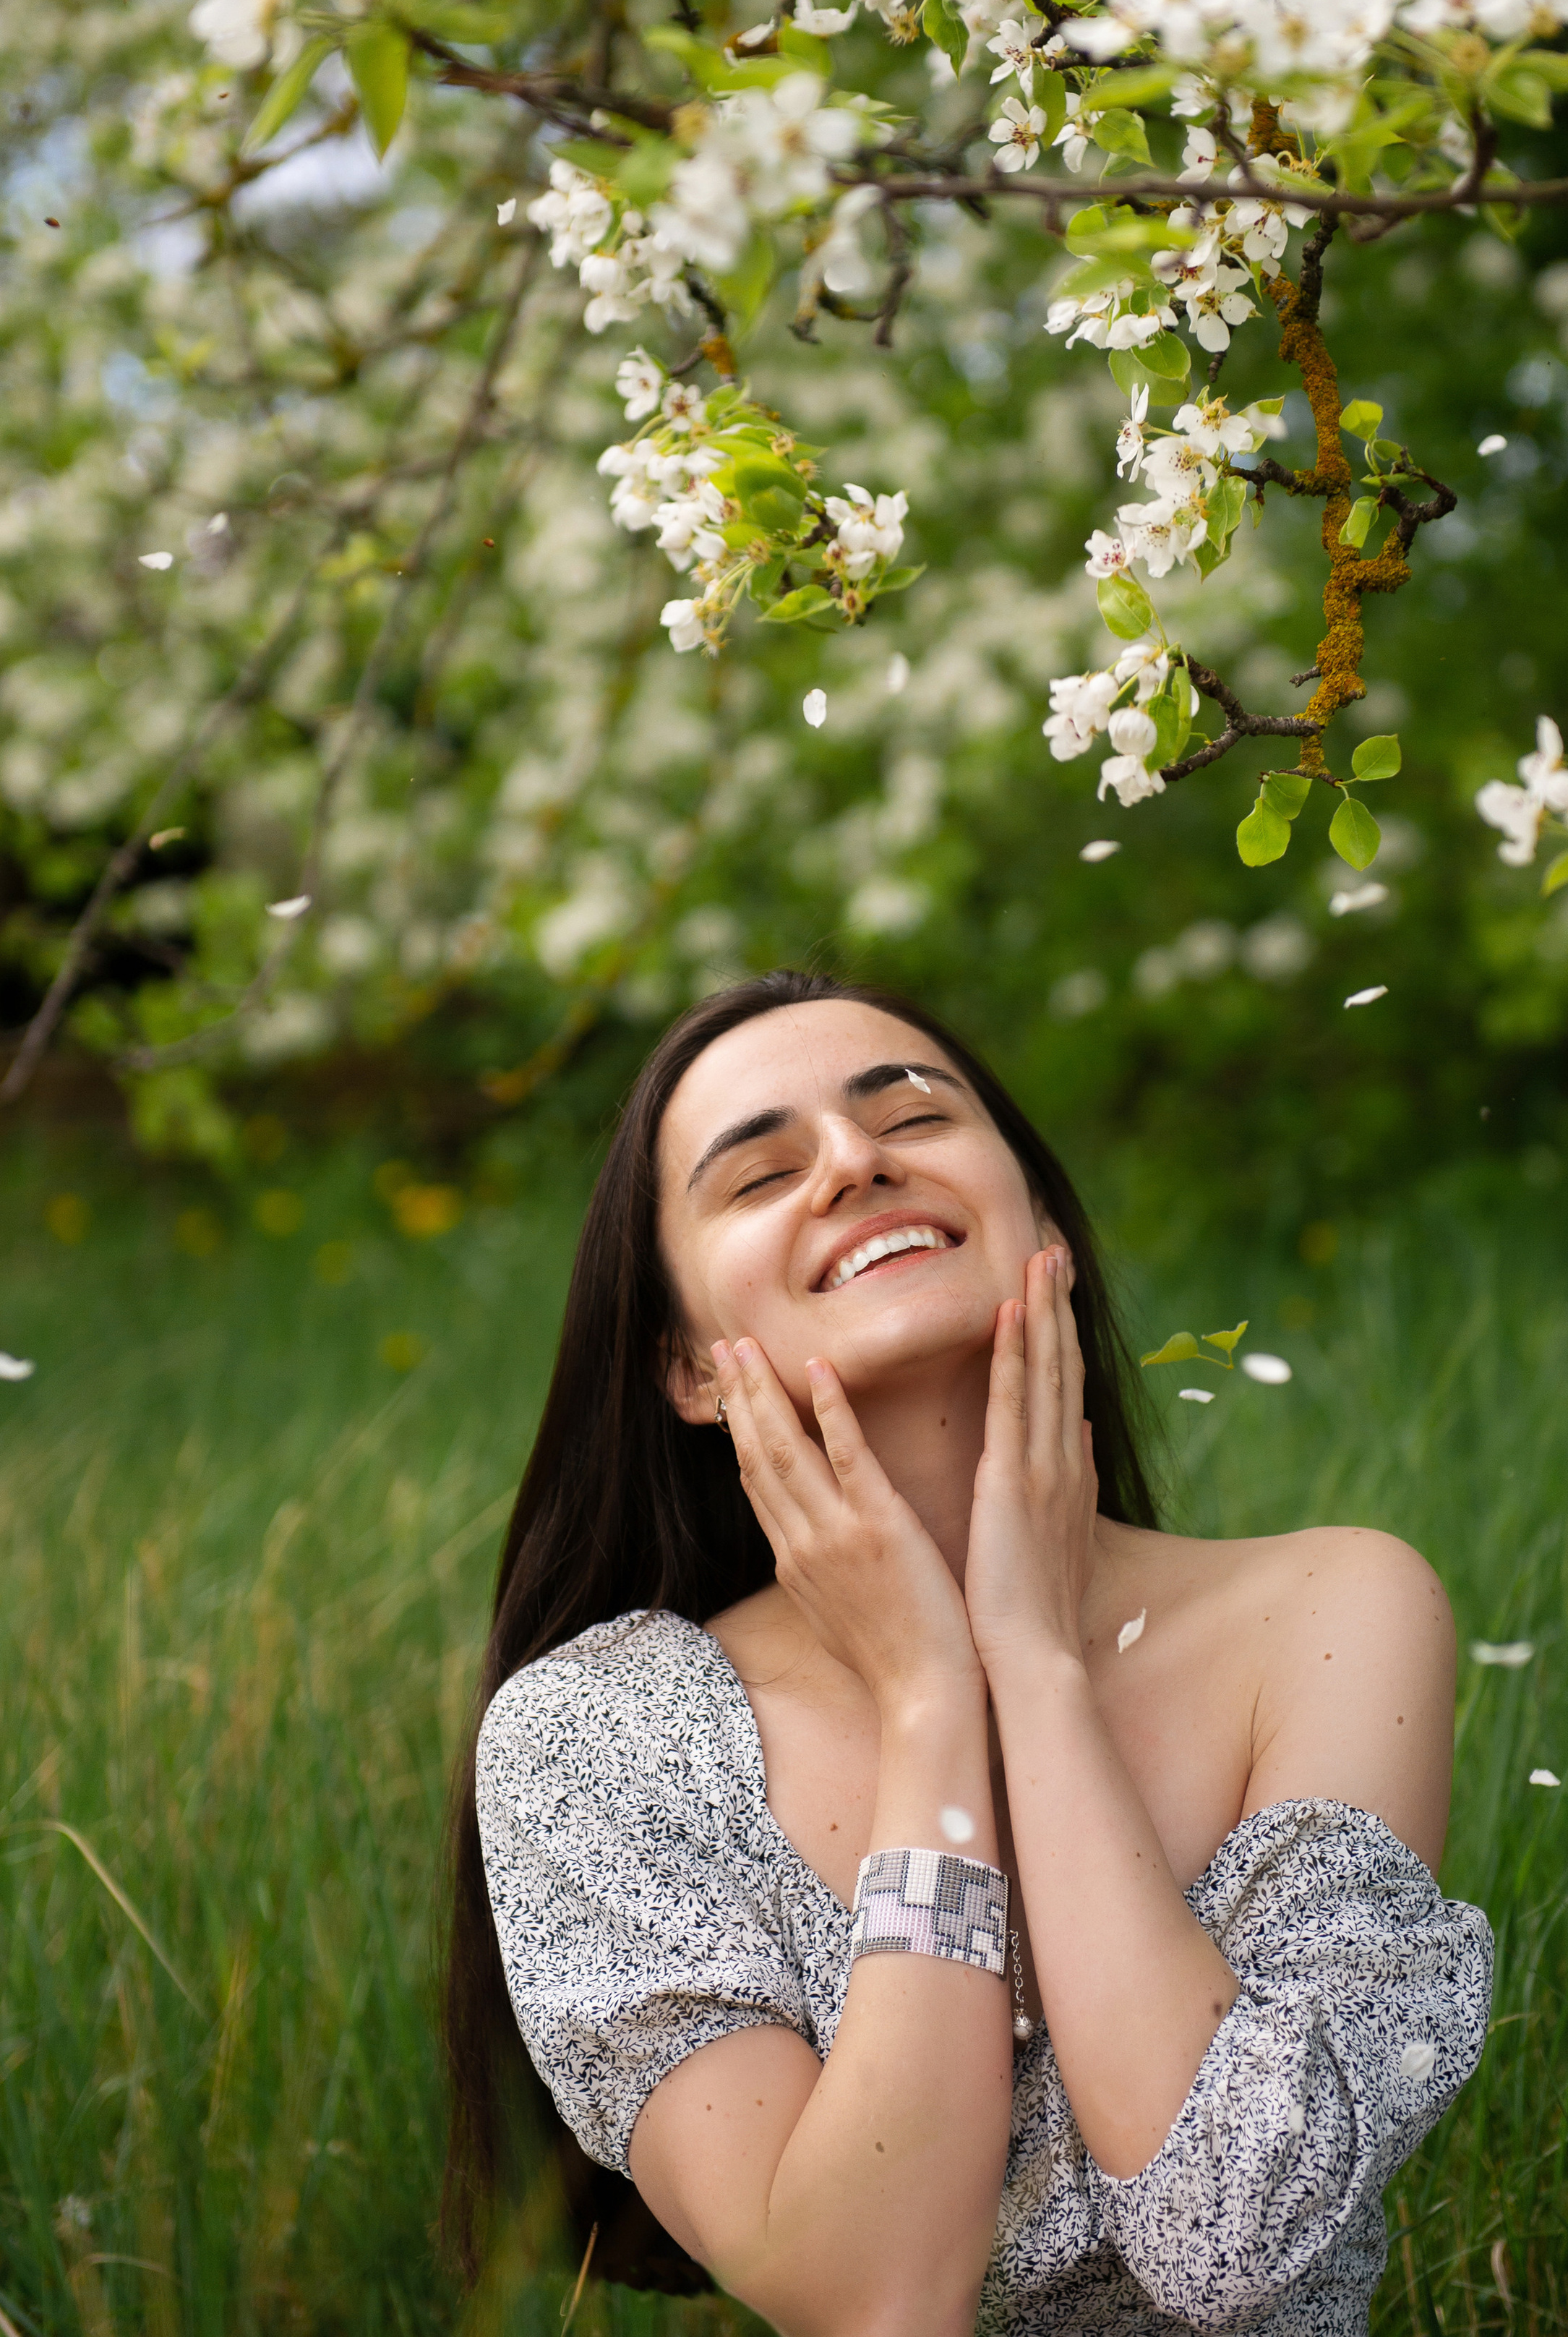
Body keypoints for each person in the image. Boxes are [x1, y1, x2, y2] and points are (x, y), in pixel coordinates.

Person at [442, 970, 1492, 2334]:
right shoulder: (594, 1736)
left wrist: (1036, 1666)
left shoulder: (1330, 1613)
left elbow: (1236, 2230)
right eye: (759, 1173)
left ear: (1040, 1223)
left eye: (916, 1117)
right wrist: (932, 1698)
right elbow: (879, 2302)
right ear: (690, 1366)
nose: (854, 1162)